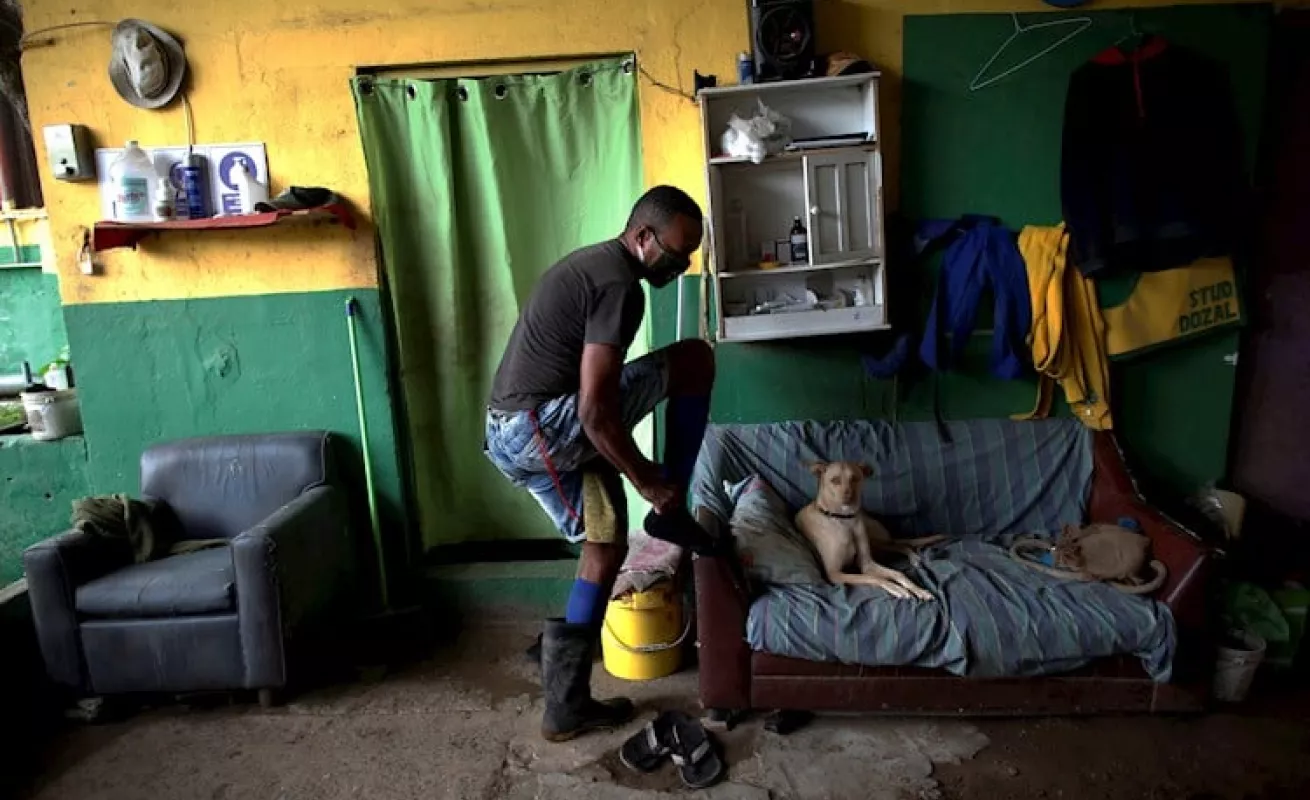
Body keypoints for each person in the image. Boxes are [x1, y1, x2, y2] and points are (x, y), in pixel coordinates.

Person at [484, 185, 719, 742]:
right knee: (694, 359)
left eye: (691, 256)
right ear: (642, 237)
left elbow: (594, 403)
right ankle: (672, 504)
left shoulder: (599, 267)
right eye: (676, 250)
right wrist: (651, 483)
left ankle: (563, 697)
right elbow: (595, 412)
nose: (681, 264)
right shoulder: (618, 285)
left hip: (520, 429)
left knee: (606, 542)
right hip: (541, 429)